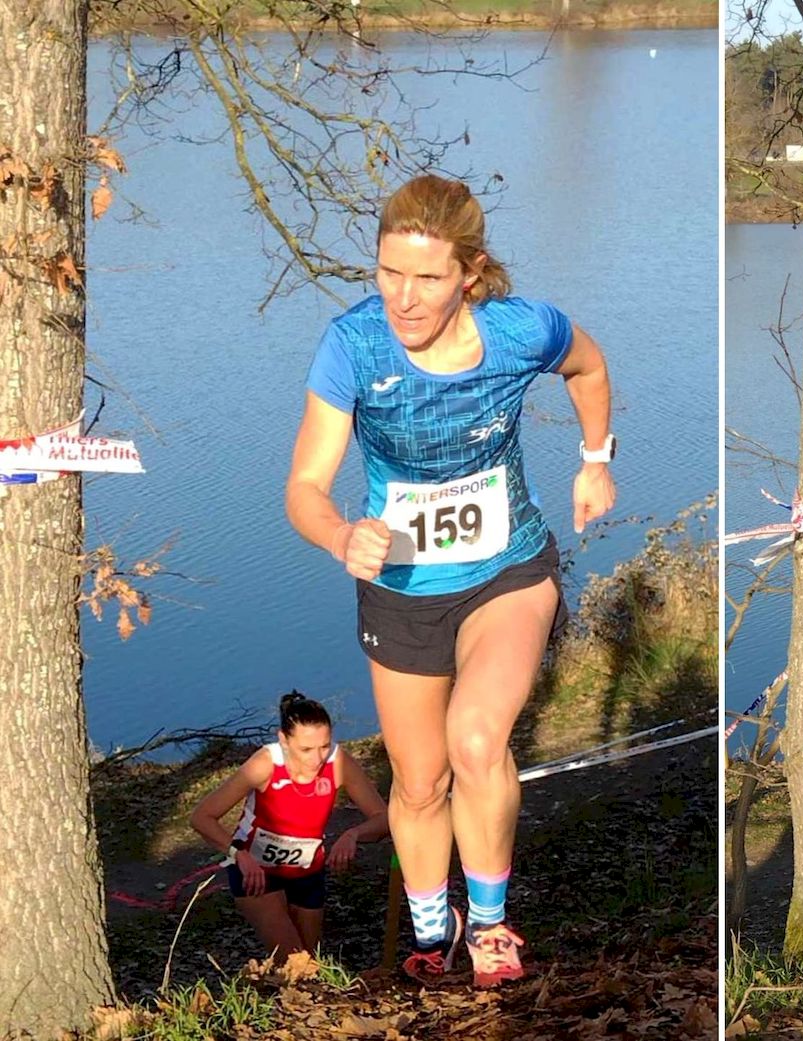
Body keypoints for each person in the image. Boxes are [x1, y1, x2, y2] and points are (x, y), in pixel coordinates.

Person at [284, 174, 616, 988]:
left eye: (427, 278)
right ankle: (436, 925)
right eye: (389, 273)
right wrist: (339, 534)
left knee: (476, 741)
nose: (403, 296)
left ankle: (494, 924)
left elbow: (589, 365)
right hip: (399, 585)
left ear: (469, 272)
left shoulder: (519, 331)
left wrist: (596, 461)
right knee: (421, 778)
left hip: (508, 569)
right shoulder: (354, 345)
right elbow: (303, 485)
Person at [190, 692, 389, 960]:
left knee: (311, 960)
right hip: (257, 872)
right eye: (306, 749)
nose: (317, 758)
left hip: (308, 874)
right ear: (284, 739)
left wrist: (354, 834)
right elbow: (202, 817)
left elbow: (383, 817)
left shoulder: (338, 762)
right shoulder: (265, 764)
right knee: (297, 962)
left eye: (324, 746)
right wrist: (239, 855)